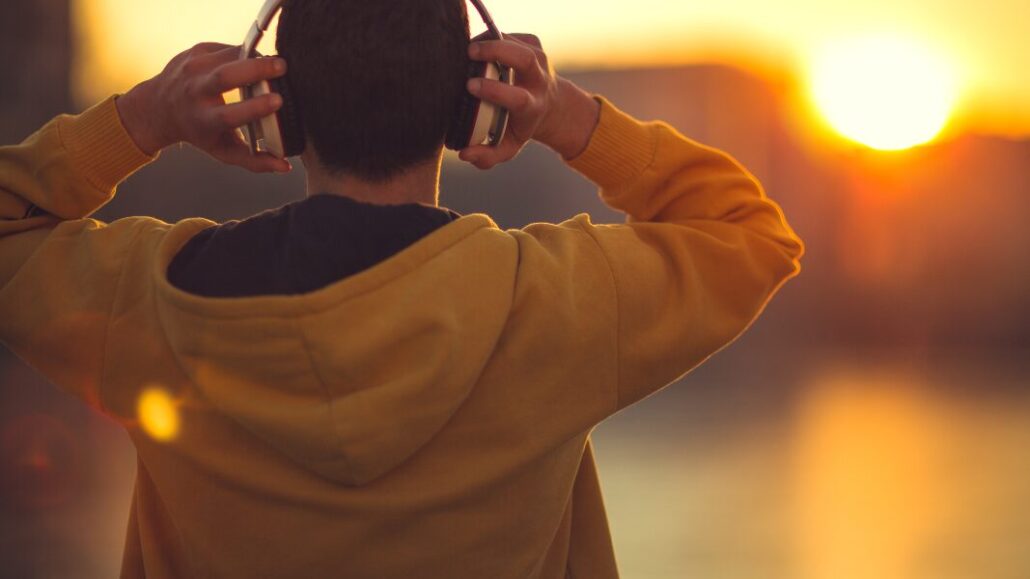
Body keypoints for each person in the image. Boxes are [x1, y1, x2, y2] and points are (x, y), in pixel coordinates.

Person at [0, 1, 802, 577]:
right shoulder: (559, 304)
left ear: (279, 114)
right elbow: (750, 234)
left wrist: (146, 118)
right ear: (469, 108)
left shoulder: (151, 303)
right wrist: (565, 115)